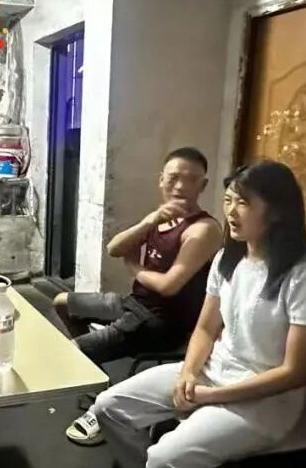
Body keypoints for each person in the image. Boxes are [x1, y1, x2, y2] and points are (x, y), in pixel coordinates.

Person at [94, 160, 306, 468]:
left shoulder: (298, 275)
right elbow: (206, 328)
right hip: (213, 370)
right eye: (228, 200)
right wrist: (189, 373)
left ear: (276, 211)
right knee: (108, 407)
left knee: (163, 457)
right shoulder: (227, 259)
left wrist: (210, 396)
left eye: (243, 203)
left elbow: (294, 372)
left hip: (265, 401)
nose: (231, 211)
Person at [45, 147, 224, 445]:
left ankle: (102, 409)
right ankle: (98, 379)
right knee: (62, 302)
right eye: (174, 178)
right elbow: (114, 248)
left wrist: (135, 268)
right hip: (134, 304)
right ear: (161, 179)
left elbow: (169, 285)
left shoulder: (203, 229)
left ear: (203, 185)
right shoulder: (161, 217)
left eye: (191, 179)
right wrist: (149, 221)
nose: (180, 186)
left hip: (162, 322)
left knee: (73, 352)